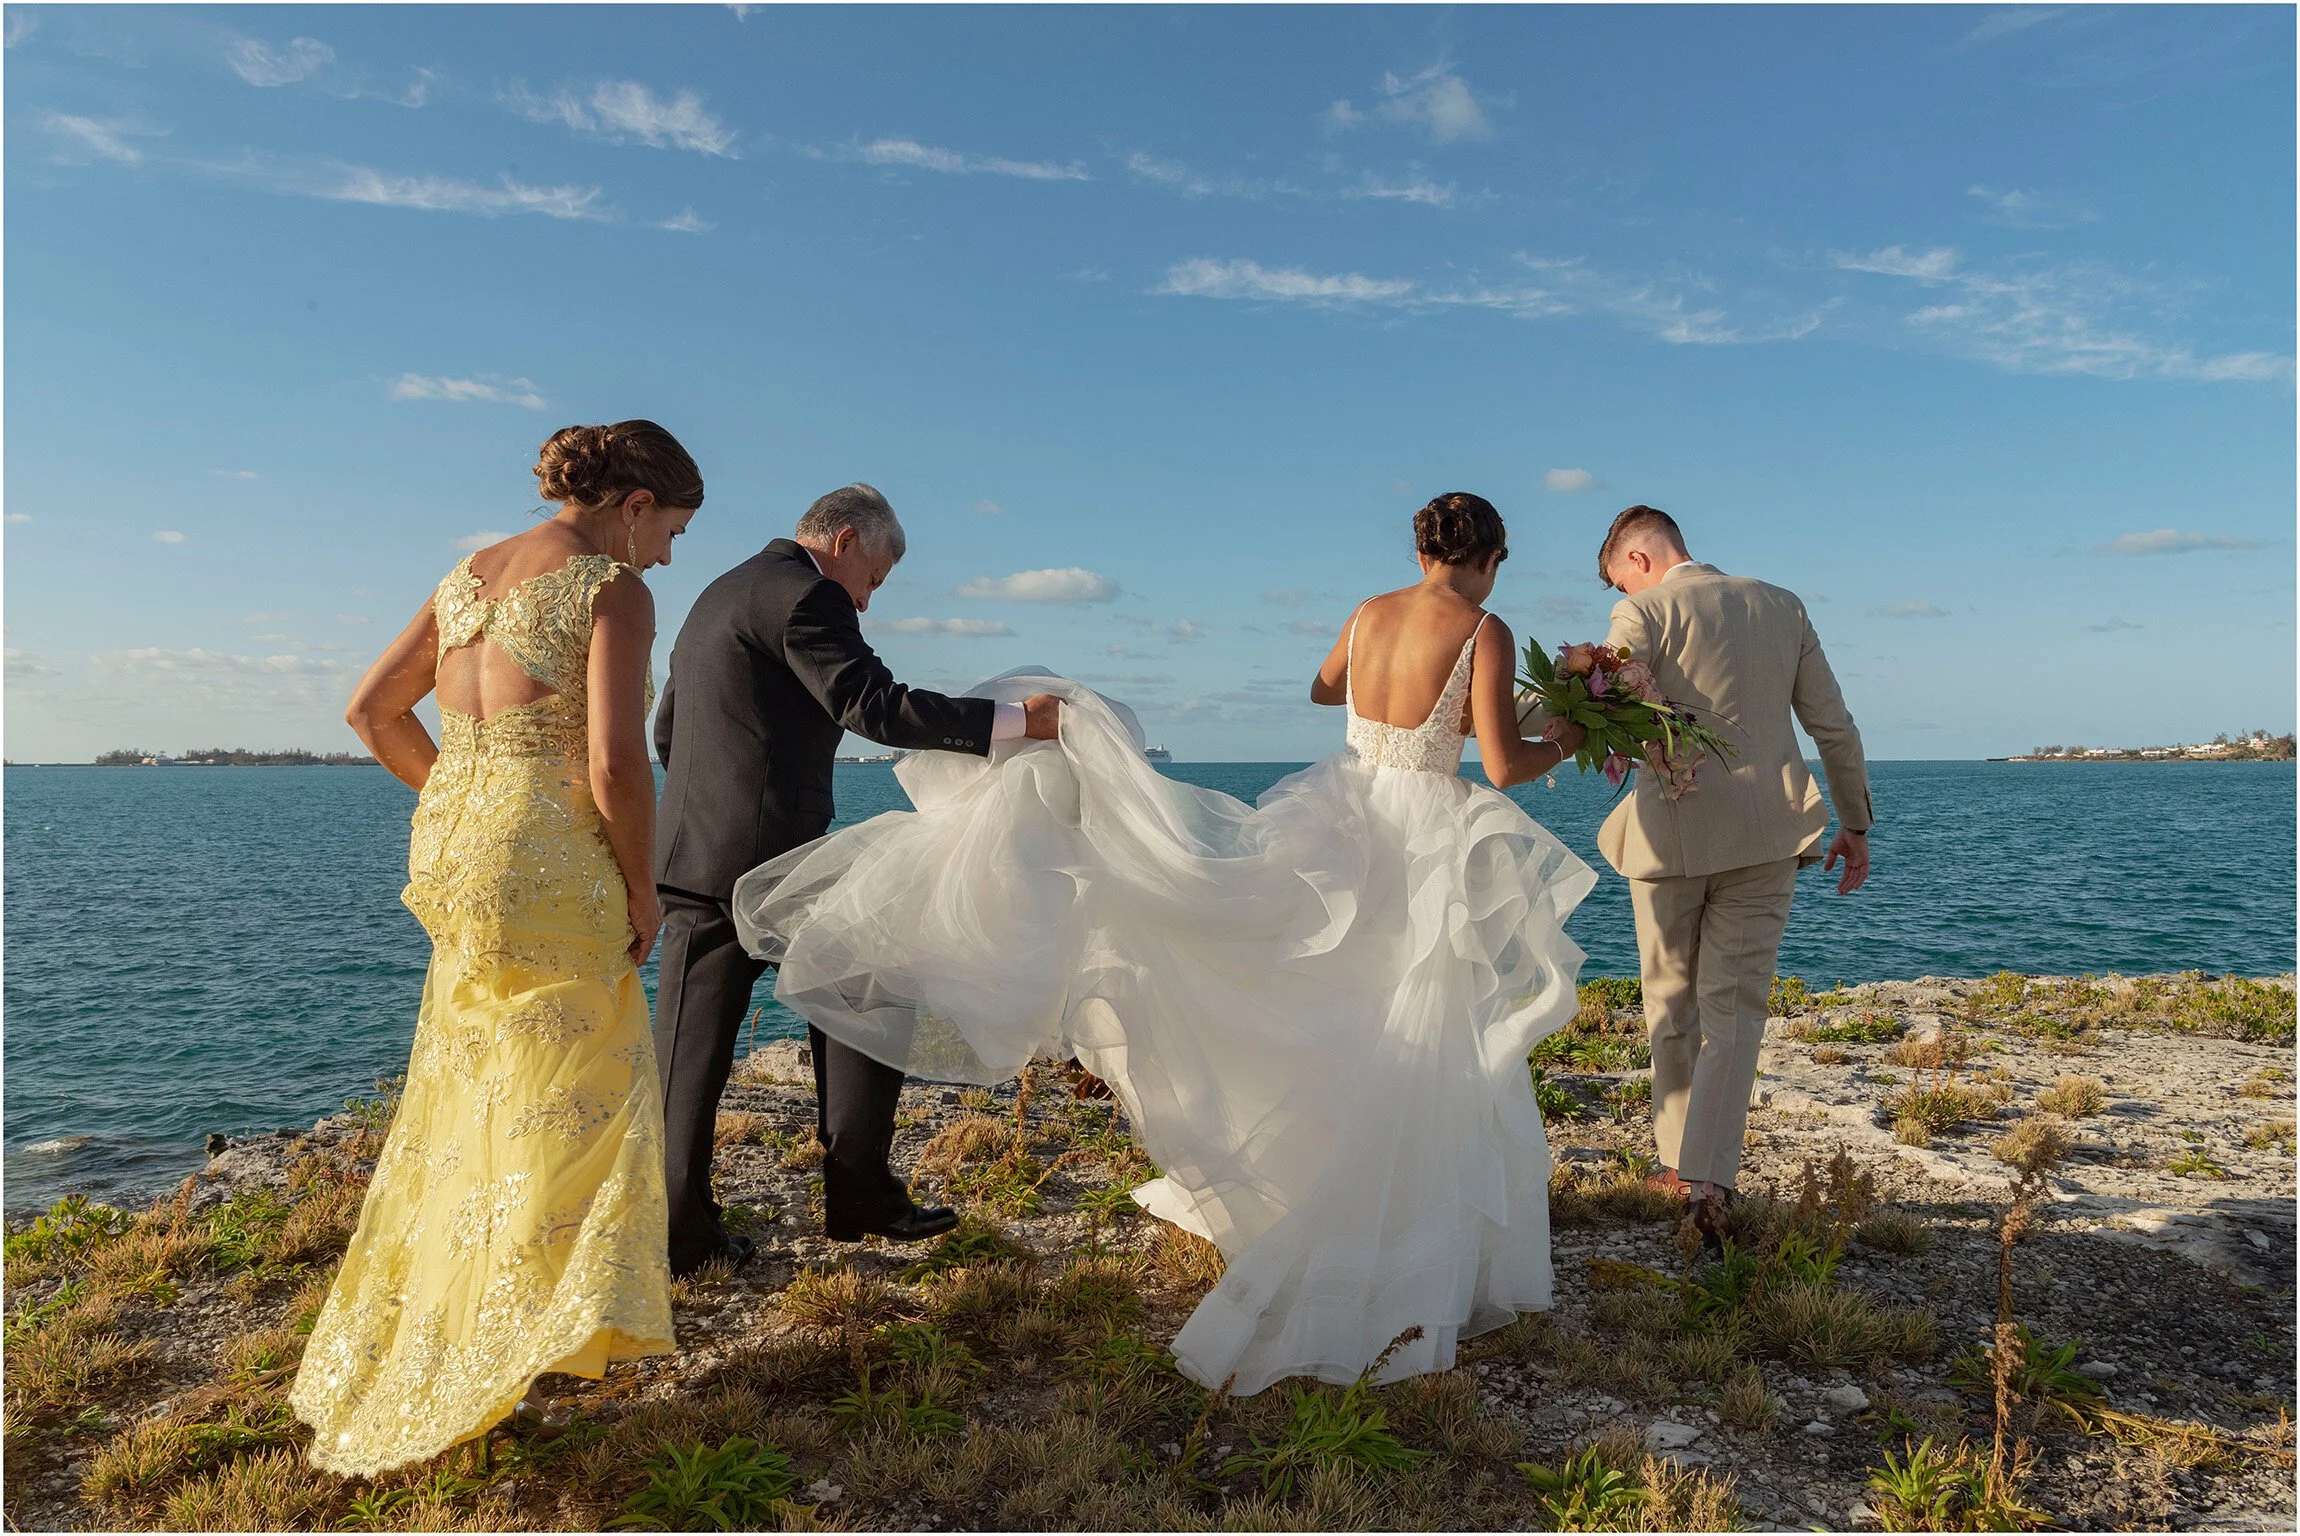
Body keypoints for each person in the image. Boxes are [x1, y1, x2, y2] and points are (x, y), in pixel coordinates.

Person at [734, 492, 1595, 1394]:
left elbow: (1325, 689)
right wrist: (1566, 736)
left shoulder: (1370, 613)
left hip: (1348, 817)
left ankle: (1305, 1181)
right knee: (1417, 1015)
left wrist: (1428, 709)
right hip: (1420, 840)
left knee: (1336, 1005)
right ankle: (1396, 1217)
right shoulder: (1484, 629)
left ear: (1420, 553)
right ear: (1490, 557)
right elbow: (1505, 766)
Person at [292, 421, 701, 1475]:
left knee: (469, 1094)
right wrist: (643, 887)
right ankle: (505, 1348)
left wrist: (470, 800)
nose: (666, 557)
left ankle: (453, 1337)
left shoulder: (467, 575)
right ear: (634, 507)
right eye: (671, 531)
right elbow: (616, 765)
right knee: (575, 1103)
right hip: (551, 866)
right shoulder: (611, 589)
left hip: (457, 854)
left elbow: (372, 713)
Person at [651, 484, 1059, 1273]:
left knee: (687, 1052)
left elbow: (670, 728)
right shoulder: (808, 595)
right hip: (767, 855)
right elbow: (872, 705)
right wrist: (1017, 723)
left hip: (693, 850)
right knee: (874, 978)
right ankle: (860, 1192)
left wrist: (717, 810)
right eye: (873, 579)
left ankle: (680, 1235)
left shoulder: (720, 592)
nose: (867, 601)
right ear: (844, 542)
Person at [1593, 504, 1873, 1245]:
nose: (1622, 594)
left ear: (1639, 560)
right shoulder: (1782, 605)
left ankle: (1677, 1163)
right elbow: (1833, 725)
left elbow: (1605, 704)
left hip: (1670, 836)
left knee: (1669, 1002)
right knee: (1737, 1010)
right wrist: (1855, 821)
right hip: (1767, 833)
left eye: (1618, 580)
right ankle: (1708, 1181)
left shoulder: (1643, 611)